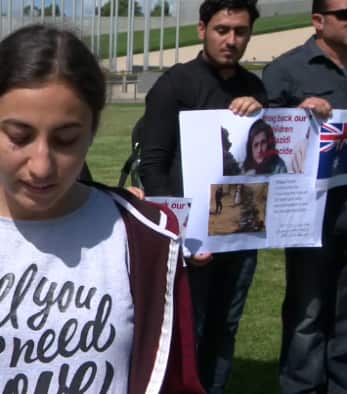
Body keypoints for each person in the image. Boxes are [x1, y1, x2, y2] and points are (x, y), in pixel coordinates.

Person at [0, 24, 203, 394]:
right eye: (19, 137)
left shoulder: (147, 242)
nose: (42, 165)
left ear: (93, 127)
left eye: (66, 140)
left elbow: (177, 381)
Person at [136, 0, 266, 392]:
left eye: (240, 32)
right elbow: (153, 165)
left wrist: (264, 111)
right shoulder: (174, 84)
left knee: (225, 326)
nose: (231, 40)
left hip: (240, 231)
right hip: (191, 237)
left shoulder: (255, 86)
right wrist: (177, 232)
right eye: (222, 30)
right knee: (188, 329)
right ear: (202, 30)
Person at [262, 0, 347, 391]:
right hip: (310, 213)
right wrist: (298, 116)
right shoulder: (284, 71)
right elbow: (263, 144)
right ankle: (302, 386)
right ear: (318, 21)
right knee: (307, 310)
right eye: (345, 15)